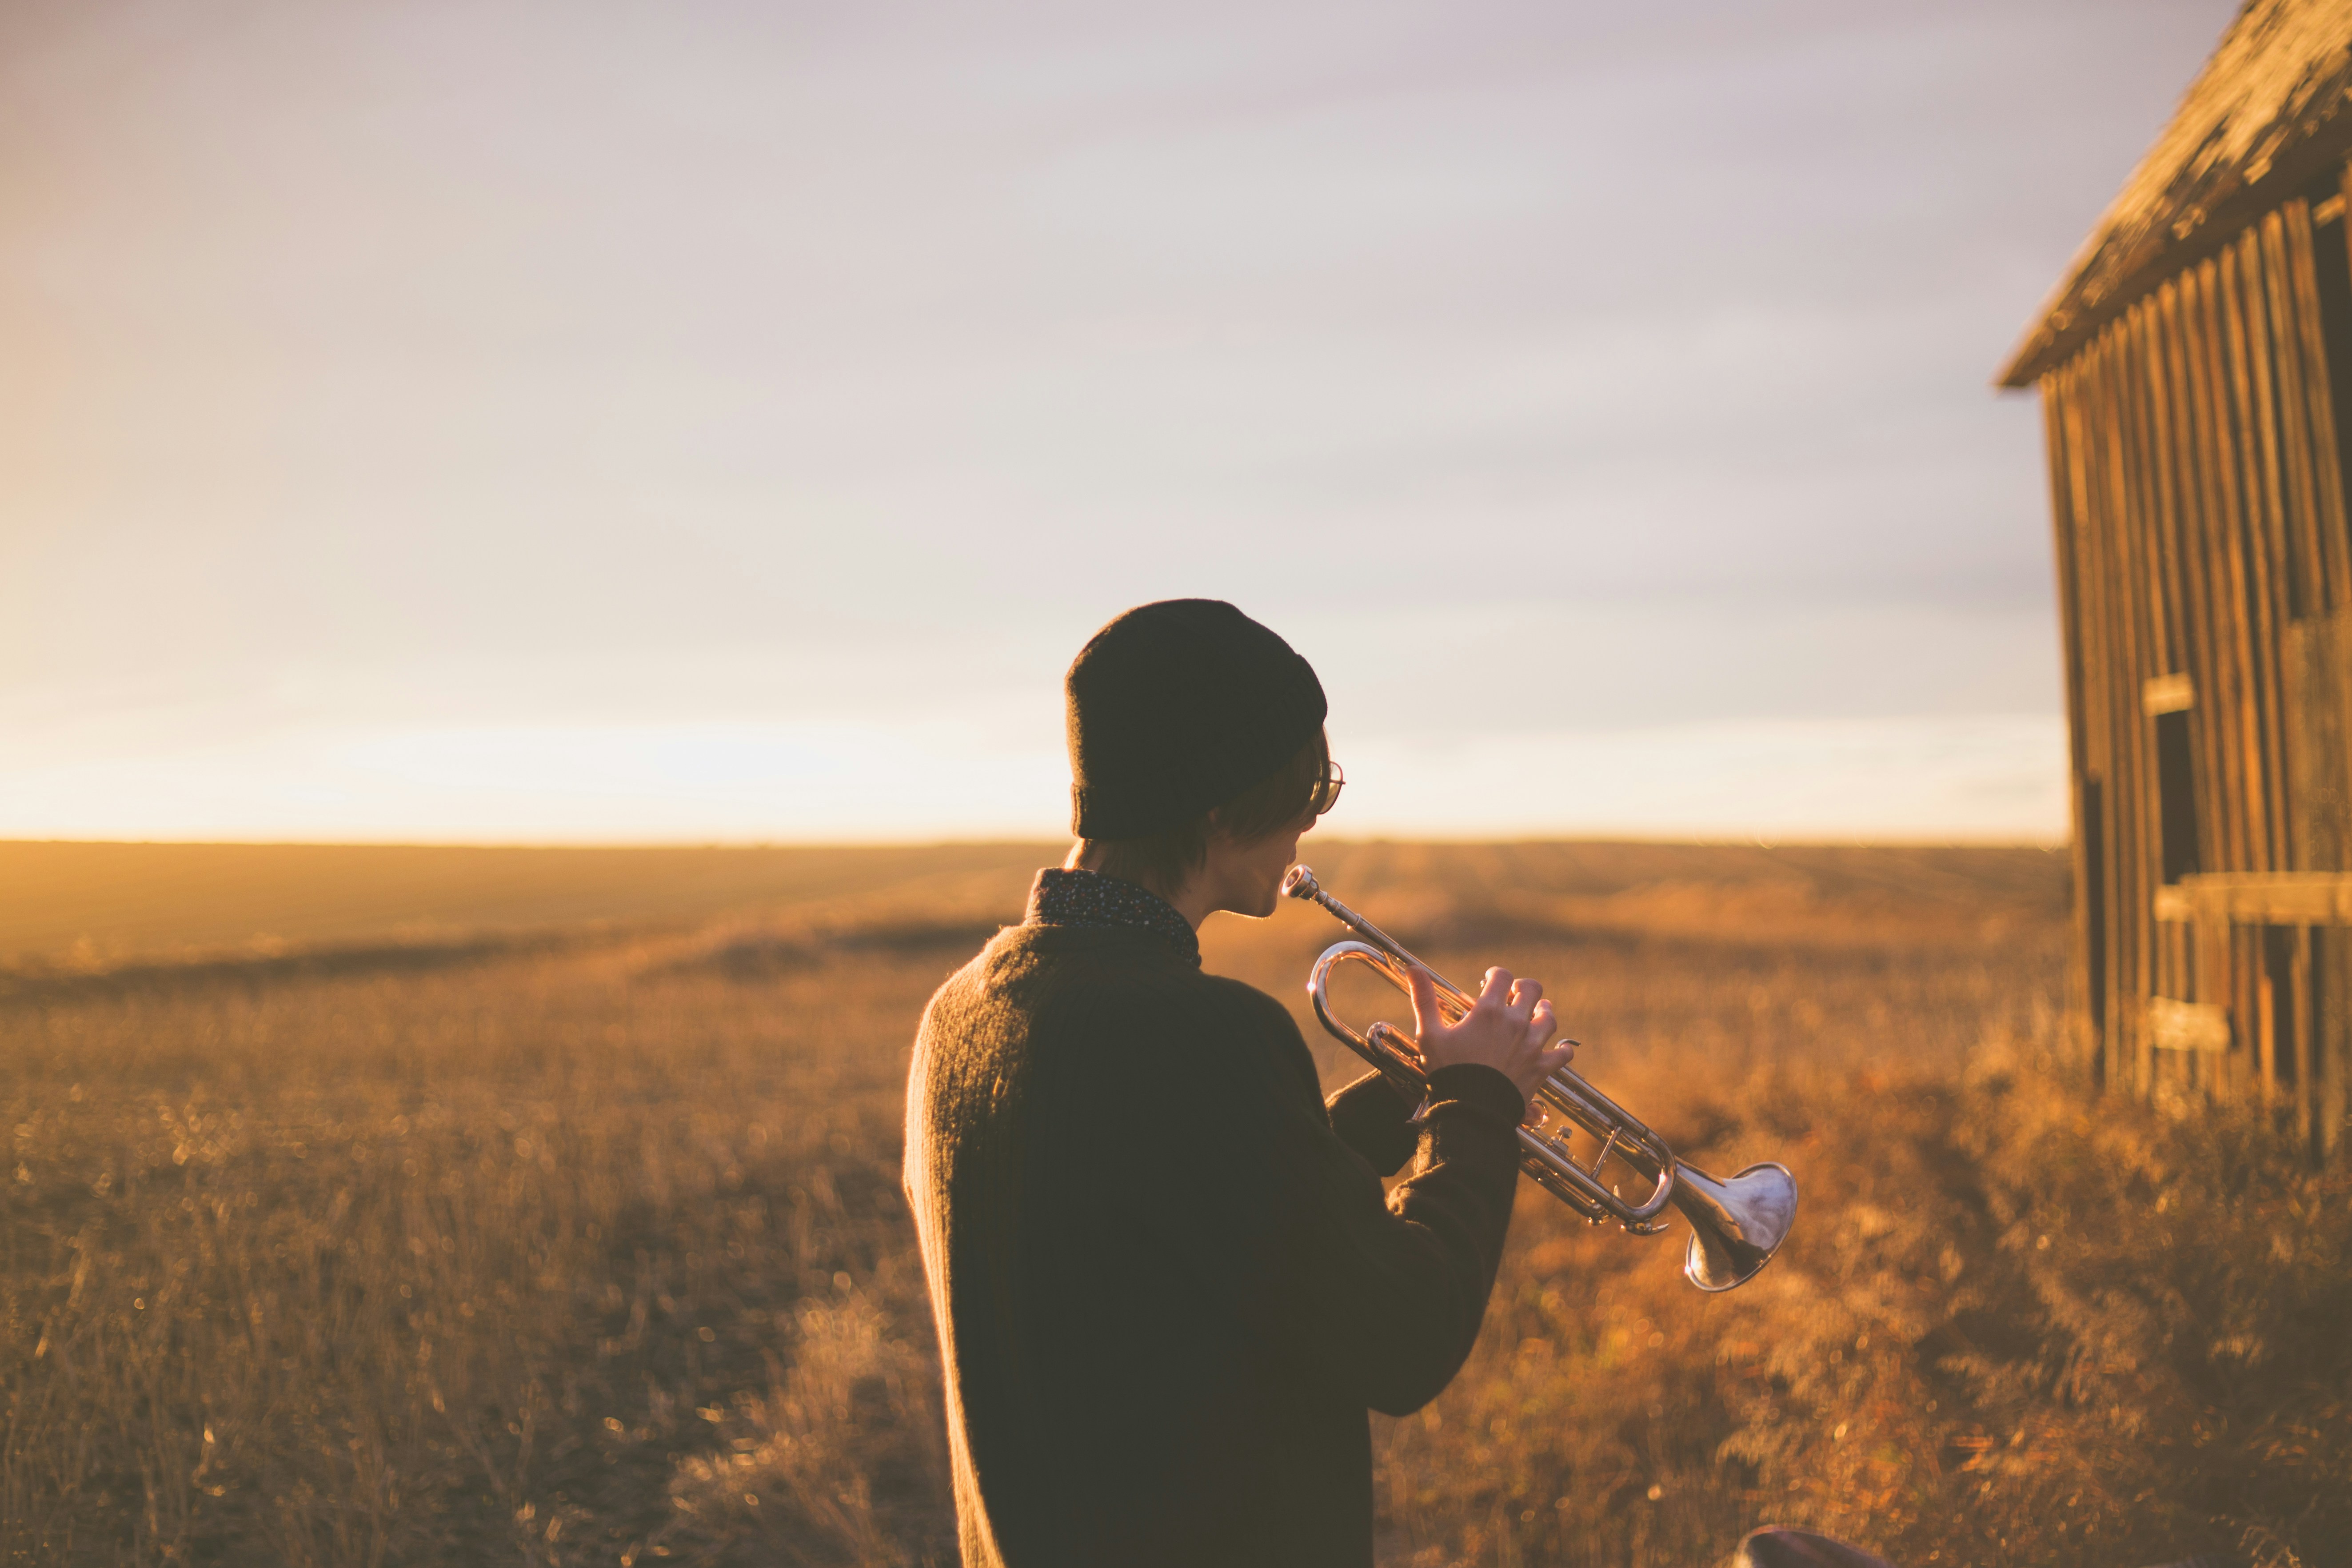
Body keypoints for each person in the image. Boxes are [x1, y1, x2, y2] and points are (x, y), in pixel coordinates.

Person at [903, 599, 1573, 1568]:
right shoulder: (1203, 1034)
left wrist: (1415, 1095)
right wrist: (1475, 1113)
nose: (1314, 814)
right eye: (1310, 786)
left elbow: (1168, 1212)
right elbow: (1405, 1336)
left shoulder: (962, 1011)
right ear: (1221, 806)